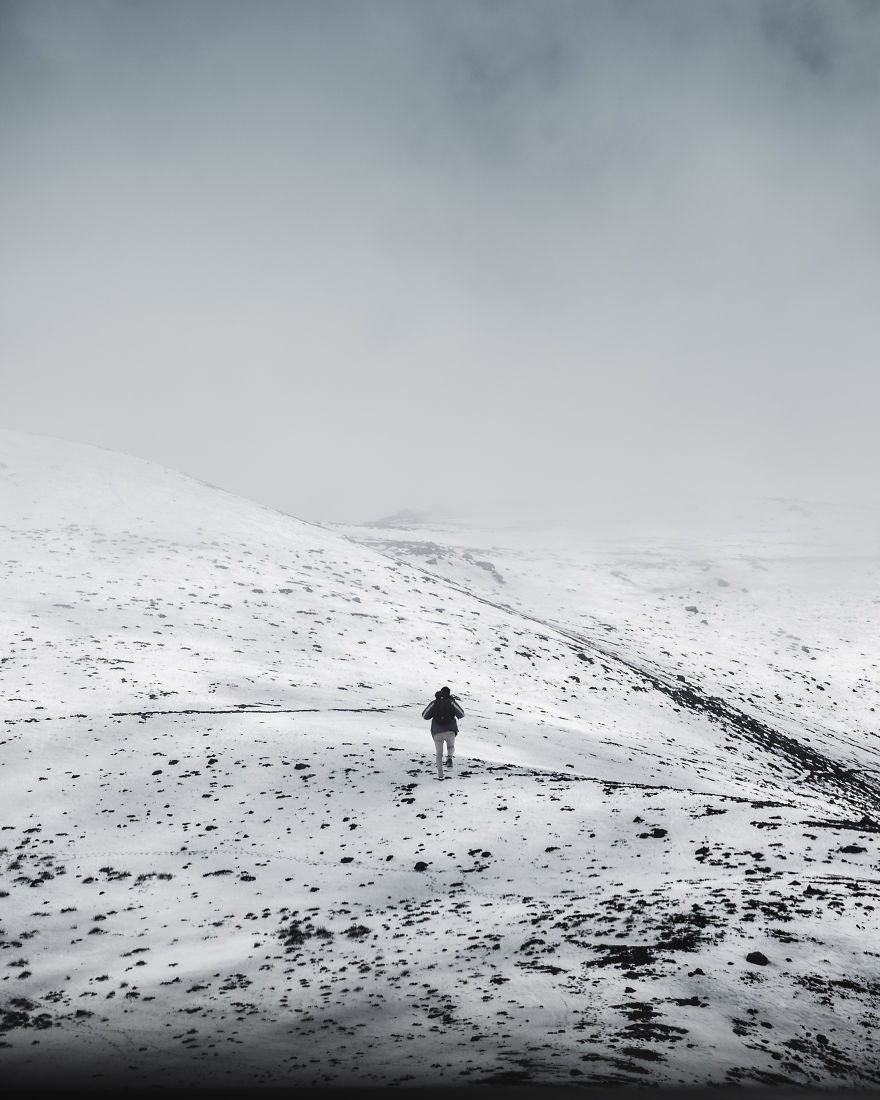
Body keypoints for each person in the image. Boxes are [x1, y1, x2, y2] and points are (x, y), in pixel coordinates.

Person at [422, 686, 464, 780]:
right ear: (449, 694)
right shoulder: (451, 702)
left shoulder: (434, 703)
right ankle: (449, 757)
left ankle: (440, 775)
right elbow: (461, 714)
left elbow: (424, 715)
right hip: (450, 731)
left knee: (439, 754)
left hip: (437, 732)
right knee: (451, 747)